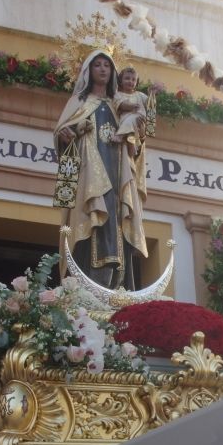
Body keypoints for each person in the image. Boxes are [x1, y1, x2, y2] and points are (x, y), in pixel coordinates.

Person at [54, 51, 148, 290]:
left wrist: (138, 134)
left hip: (118, 177)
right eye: (97, 64)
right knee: (93, 220)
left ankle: (117, 284)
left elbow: (135, 147)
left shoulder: (120, 105)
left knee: (115, 221)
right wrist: (66, 135)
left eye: (107, 65)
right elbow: (63, 138)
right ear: (88, 70)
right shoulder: (80, 102)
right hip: (89, 178)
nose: (103, 69)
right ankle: (88, 284)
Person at [111, 67, 157, 160]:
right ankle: (132, 149)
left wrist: (152, 94)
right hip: (124, 120)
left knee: (131, 119)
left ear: (136, 82)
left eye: (133, 80)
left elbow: (150, 105)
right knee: (130, 130)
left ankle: (120, 135)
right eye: (127, 78)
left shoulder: (139, 95)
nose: (130, 81)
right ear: (120, 80)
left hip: (138, 117)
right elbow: (119, 104)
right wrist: (131, 106)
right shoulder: (118, 95)